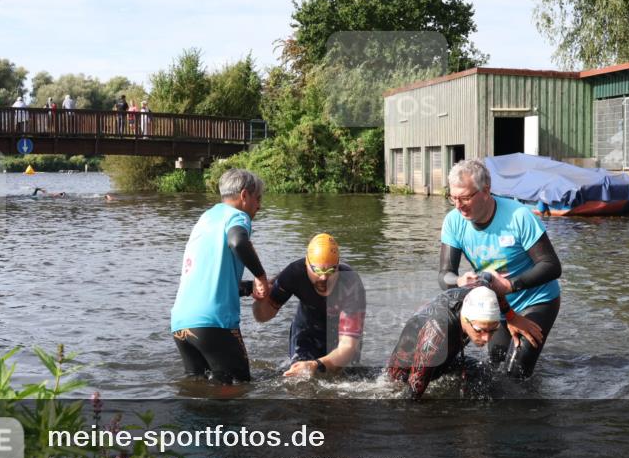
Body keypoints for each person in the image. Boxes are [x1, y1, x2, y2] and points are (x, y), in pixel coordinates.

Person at [438, 159, 562, 379]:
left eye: (465, 198)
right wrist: (458, 281)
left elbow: (551, 266)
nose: (458, 206)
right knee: (495, 369)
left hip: (536, 299)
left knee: (516, 373)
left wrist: (509, 285)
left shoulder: (519, 216)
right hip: (498, 304)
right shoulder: (453, 222)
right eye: (453, 198)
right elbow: (444, 275)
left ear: (486, 190)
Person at [170, 168, 270, 384]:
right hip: (213, 324)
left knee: (197, 390)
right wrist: (261, 276)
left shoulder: (206, 219)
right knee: (239, 387)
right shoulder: (237, 216)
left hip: (181, 324)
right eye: (258, 198)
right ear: (244, 195)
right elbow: (238, 242)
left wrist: (247, 287)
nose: (259, 206)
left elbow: (210, 279)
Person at [252, 234, 366, 378]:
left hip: (340, 337)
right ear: (307, 264)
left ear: (338, 265)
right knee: (299, 379)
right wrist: (261, 299)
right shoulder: (294, 274)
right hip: (306, 334)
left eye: (330, 270)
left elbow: (348, 346)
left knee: (343, 382)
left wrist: (316, 364)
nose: (324, 277)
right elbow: (263, 316)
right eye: (318, 270)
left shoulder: (351, 283)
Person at [387, 285, 512, 398]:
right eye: (480, 330)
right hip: (408, 373)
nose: (487, 338)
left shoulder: (475, 295)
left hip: (444, 357)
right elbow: (413, 390)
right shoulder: (437, 333)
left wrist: (512, 317)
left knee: (488, 376)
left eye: (492, 330)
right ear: (466, 318)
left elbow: (492, 288)